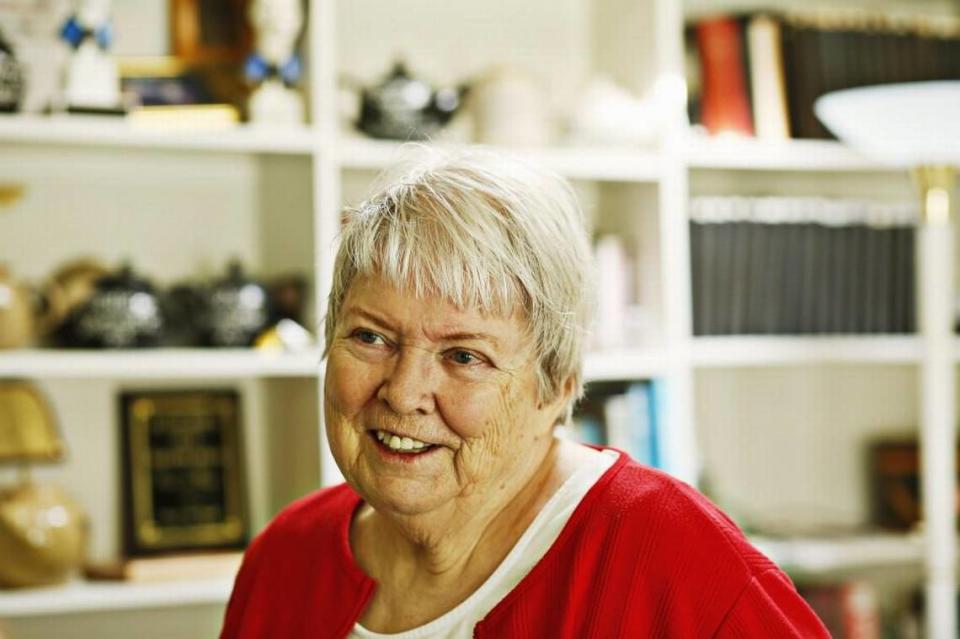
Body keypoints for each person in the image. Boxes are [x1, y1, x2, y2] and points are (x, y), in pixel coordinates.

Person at [220, 149, 829, 638]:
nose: (404, 393)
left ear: (556, 387)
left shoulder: (669, 555)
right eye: (372, 337)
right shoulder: (286, 558)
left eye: (464, 356)